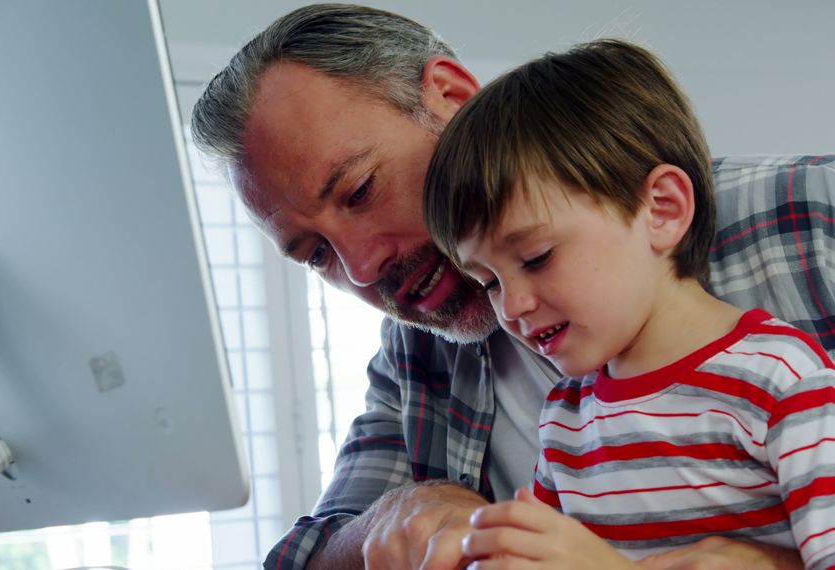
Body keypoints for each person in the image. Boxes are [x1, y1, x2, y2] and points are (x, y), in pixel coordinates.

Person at [189, 4, 835, 569]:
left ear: (451, 97)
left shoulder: (815, 221)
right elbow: (306, 557)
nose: (360, 269)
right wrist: (387, 521)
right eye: (315, 255)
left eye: (360, 190)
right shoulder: (417, 362)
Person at [422, 38, 835, 569]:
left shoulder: (781, 381)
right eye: (489, 282)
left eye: (537, 256)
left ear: (661, 210)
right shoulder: (566, 421)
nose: (512, 307)